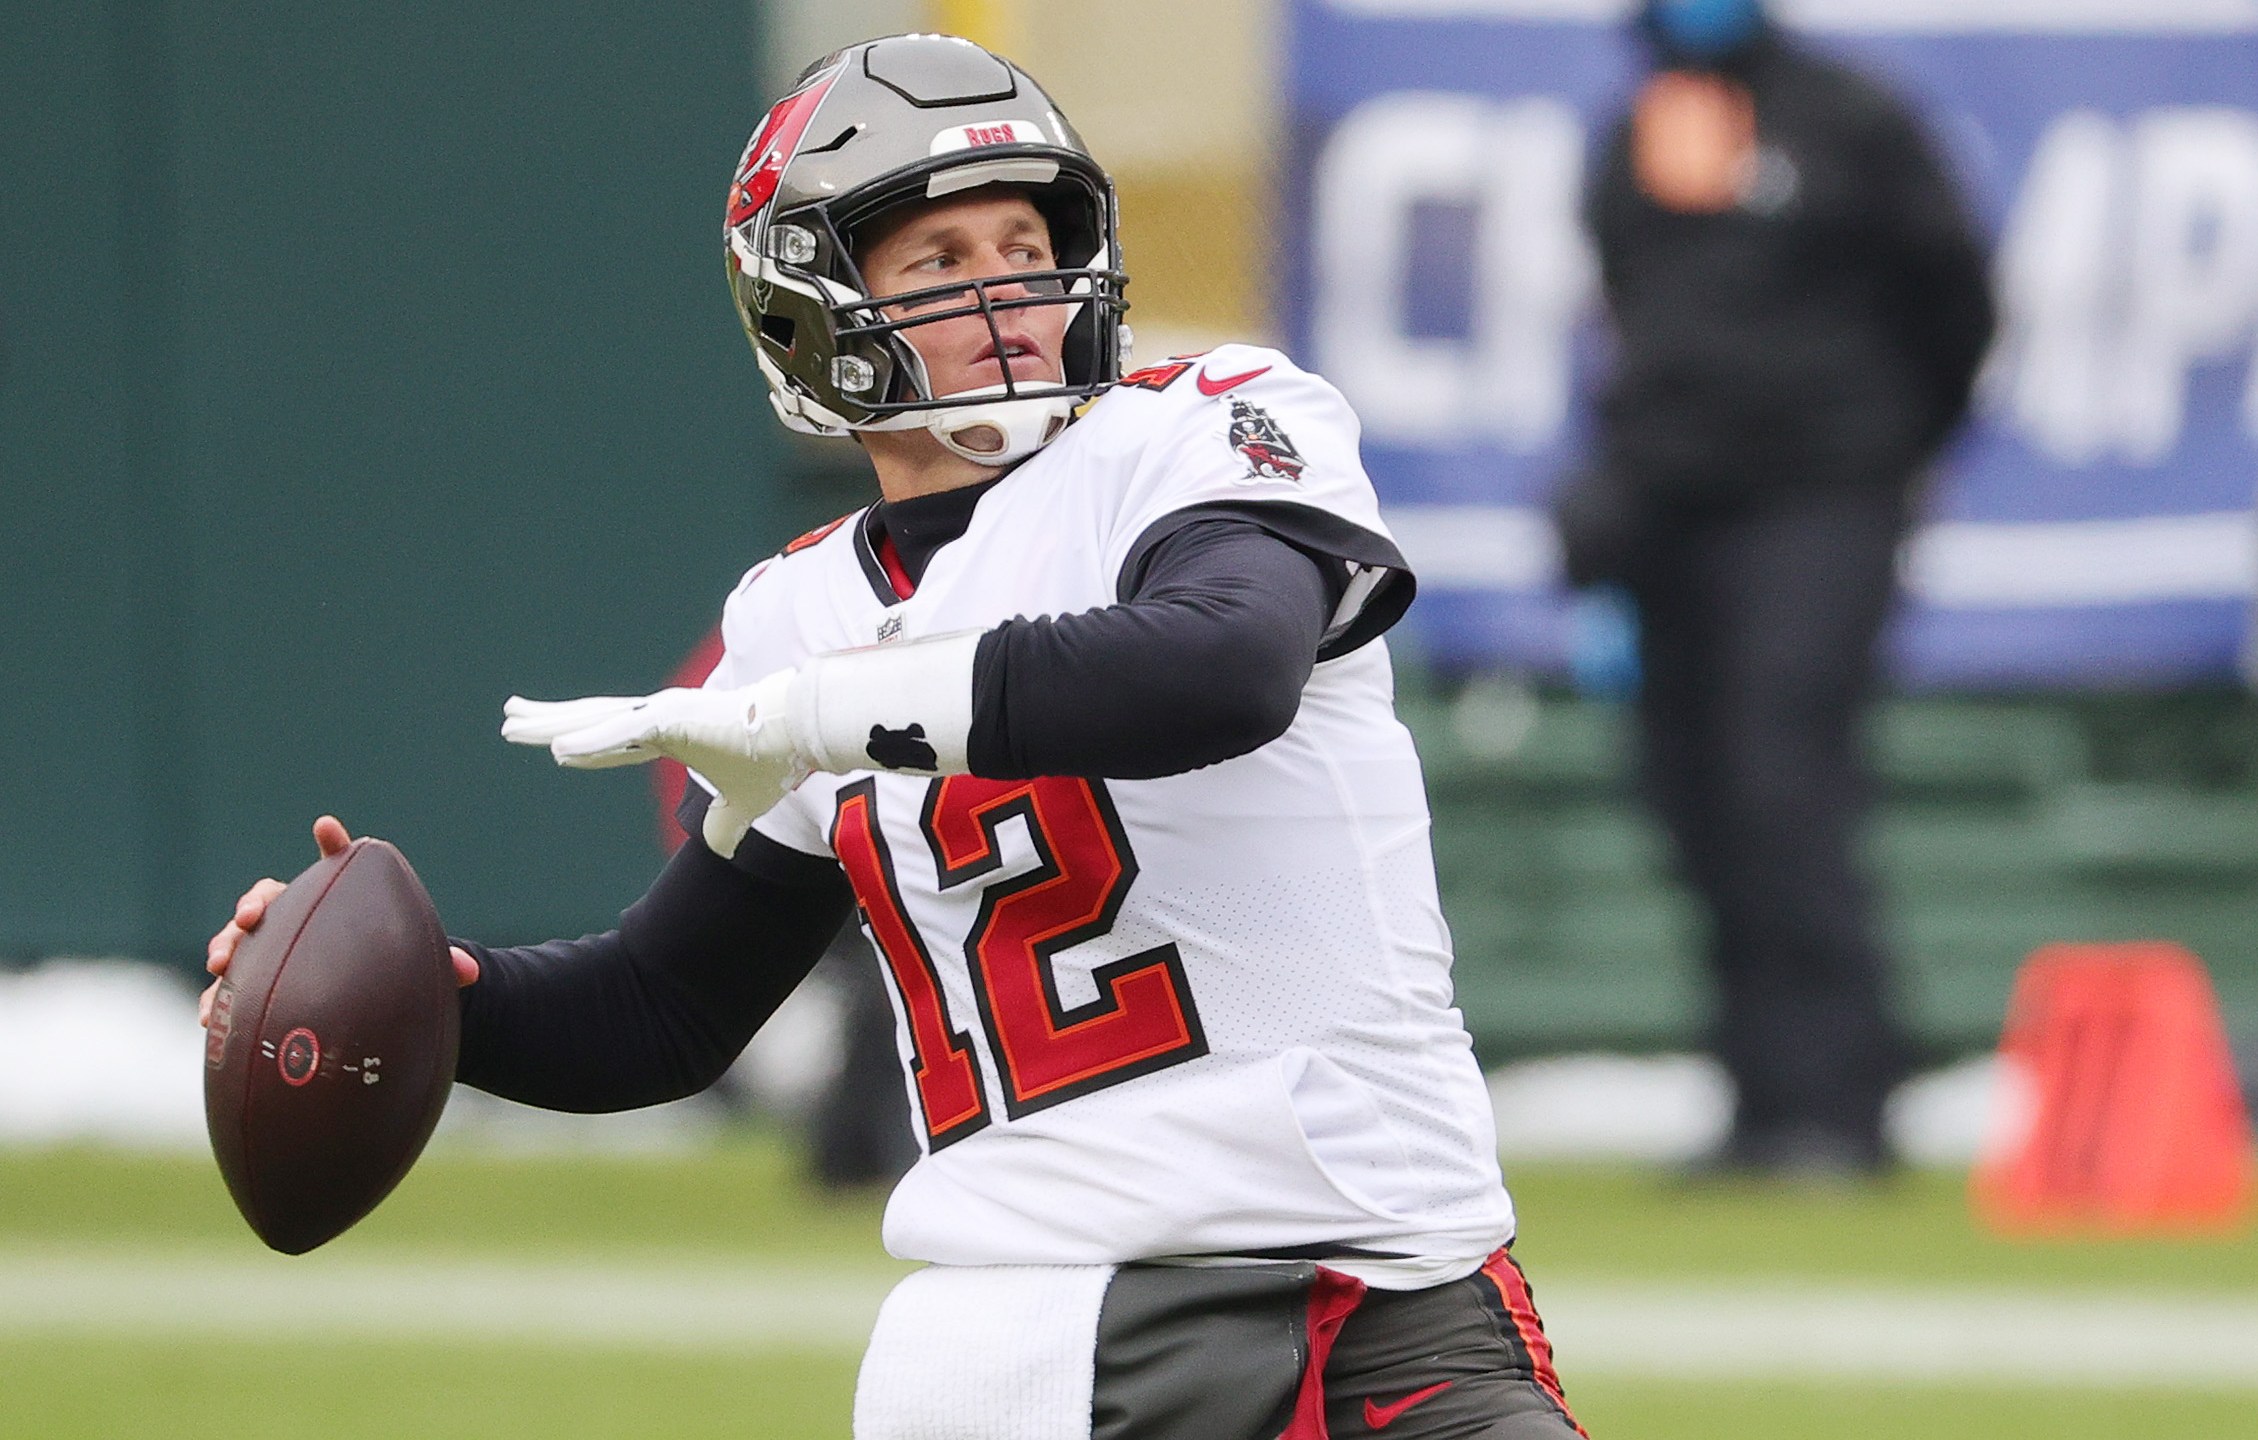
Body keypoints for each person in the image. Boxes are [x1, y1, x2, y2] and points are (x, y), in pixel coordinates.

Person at [206, 34, 1586, 1440]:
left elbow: (1222, 670)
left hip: (1390, 1282)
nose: (1009, 295)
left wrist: (823, 712)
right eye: (939, 264)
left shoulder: (1200, 431)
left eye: (1026, 242)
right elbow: (663, 1012)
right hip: (1036, 1333)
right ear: (811, 313)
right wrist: (410, 999)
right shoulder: (798, 611)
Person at [1563, 0, 1996, 1177]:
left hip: (1818, 502)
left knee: (1780, 781)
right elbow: (1632, 323)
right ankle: (1760, 1104)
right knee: (1692, 794)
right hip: (1671, 505)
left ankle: (1836, 1106)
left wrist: (1883, 449)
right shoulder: (1637, 130)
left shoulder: (1849, 117)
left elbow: (1954, 298)